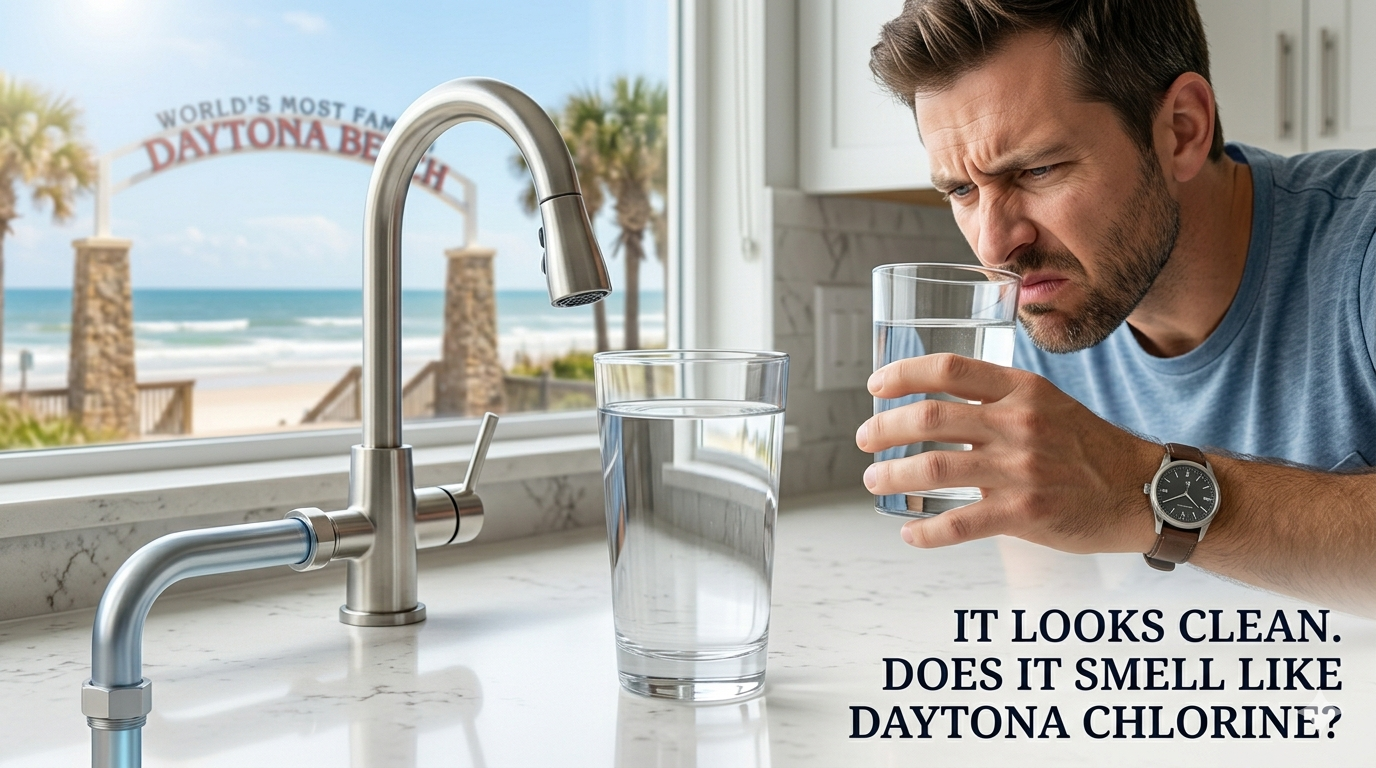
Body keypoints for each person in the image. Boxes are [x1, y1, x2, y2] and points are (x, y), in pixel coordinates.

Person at [855, 0, 1376, 616]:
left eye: (1039, 169)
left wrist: (1142, 490)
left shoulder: (1361, 248)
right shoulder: (1040, 304)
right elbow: (1050, 600)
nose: (995, 246)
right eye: (962, 190)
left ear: (1182, 129)